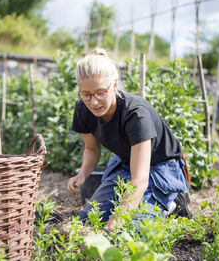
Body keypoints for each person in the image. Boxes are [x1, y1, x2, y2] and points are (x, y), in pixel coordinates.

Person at [67, 48, 191, 232]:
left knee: (132, 229)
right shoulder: (83, 109)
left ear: (114, 85)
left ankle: (173, 201)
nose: (93, 102)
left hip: (161, 168)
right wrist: (82, 174)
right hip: (126, 162)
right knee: (87, 223)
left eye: (101, 92)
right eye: (86, 94)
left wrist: (114, 224)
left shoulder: (135, 114)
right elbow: (92, 149)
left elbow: (139, 180)